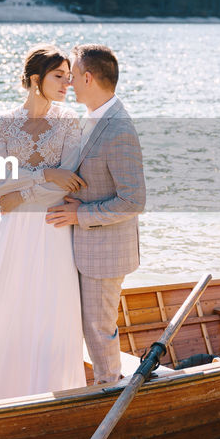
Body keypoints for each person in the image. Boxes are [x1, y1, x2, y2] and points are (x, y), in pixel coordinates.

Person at [0, 46, 88, 405]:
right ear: (36, 79)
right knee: (5, 311)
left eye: (69, 77)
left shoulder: (69, 121)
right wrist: (46, 174)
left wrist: (23, 191)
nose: (67, 84)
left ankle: (51, 397)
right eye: (59, 76)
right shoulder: (3, 123)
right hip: (13, 235)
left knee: (50, 314)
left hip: (54, 231)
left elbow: (67, 182)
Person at [45, 44, 145, 385]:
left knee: (98, 328)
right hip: (86, 246)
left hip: (105, 251)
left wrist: (80, 215)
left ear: (88, 78)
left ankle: (109, 388)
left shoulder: (118, 129)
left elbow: (133, 201)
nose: (69, 83)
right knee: (90, 324)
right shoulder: (93, 118)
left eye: (72, 76)